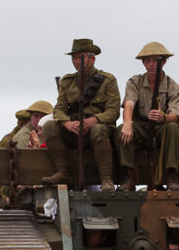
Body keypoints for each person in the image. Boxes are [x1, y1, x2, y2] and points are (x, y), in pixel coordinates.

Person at [41, 38, 120, 189]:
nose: (77, 61)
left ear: (92, 58)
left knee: (98, 130)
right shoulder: (67, 82)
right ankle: (63, 172)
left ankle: (106, 179)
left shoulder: (107, 80)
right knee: (49, 126)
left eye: (81, 57)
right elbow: (59, 109)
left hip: (99, 132)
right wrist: (67, 123)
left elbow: (113, 111)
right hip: (75, 130)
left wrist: (95, 120)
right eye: (74, 58)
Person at [116, 42, 179, 191]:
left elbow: (177, 115)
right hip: (141, 126)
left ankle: (172, 175)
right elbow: (129, 104)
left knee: (173, 128)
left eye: (156, 60)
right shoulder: (135, 81)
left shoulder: (173, 85)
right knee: (121, 129)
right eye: (148, 60)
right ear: (144, 63)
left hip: (162, 127)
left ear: (164, 62)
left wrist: (164, 117)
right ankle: (128, 177)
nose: (152, 64)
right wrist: (127, 123)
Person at [0, 100, 54, 208]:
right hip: (21, 185)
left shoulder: (44, 133)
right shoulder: (24, 137)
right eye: (36, 116)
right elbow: (30, 167)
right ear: (30, 117)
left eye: (43, 117)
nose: (39, 120)